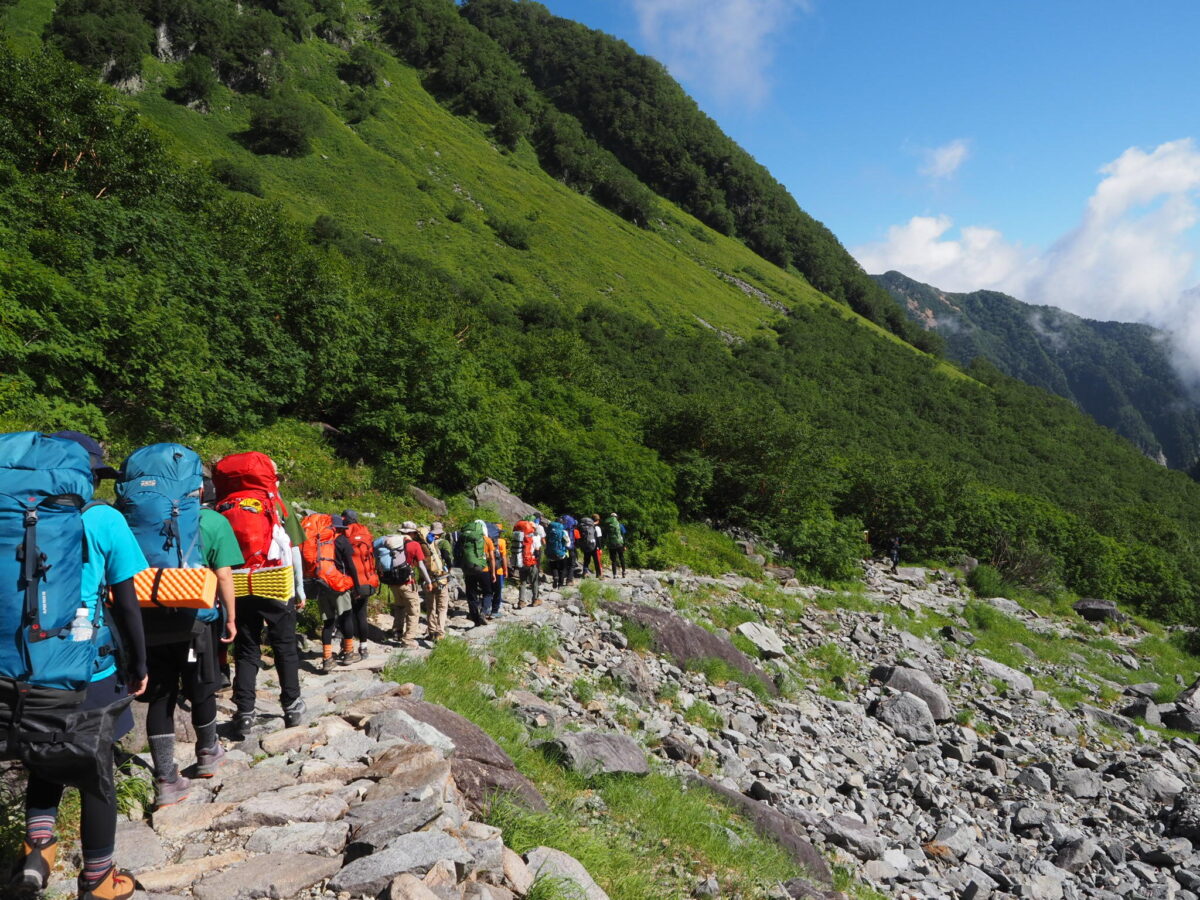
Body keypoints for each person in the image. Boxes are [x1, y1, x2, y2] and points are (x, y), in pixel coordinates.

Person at [16, 431, 149, 900]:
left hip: (22, 665)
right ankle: (97, 879)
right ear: (86, 475)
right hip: (88, 664)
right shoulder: (103, 517)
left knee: (43, 753)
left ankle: (38, 850)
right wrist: (139, 663)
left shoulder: (14, 514)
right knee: (96, 769)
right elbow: (128, 603)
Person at [139, 467, 242, 811]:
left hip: (148, 617)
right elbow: (223, 574)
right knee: (201, 687)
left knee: (161, 696)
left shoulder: (136, 519)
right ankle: (207, 752)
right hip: (196, 619)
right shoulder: (211, 521)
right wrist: (231, 617)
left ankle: (165, 778)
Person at [213, 452, 308, 737]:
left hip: (237, 583)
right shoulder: (274, 502)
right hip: (274, 581)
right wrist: (299, 588)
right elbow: (293, 549)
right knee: (284, 646)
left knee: (246, 648)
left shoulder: (221, 505)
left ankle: (244, 712)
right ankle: (291, 705)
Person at [316, 516, 361, 673]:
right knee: (346, 617)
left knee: (328, 623)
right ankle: (348, 653)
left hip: (322, 585)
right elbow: (350, 565)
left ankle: (327, 659)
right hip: (339, 585)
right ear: (339, 528)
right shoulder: (341, 541)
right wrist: (357, 586)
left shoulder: (319, 541)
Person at [341, 510, 377, 656]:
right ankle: (363, 647)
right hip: (367, 581)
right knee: (361, 614)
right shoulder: (365, 533)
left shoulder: (343, 534)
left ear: (344, 519)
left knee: (347, 615)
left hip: (349, 581)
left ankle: (347, 649)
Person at [389, 522, 431, 648]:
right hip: (408, 583)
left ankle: (396, 632)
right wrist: (428, 581)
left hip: (393, 582)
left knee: (399, 607)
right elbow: (421, 566)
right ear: (412, 533)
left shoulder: (392, 544)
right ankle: (408, 640)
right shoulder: (414, 545)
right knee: (414, 611)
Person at [423, 523, 454, 643]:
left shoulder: (424, 543)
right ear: (440, 533)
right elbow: (447, 558)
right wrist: (449, 569)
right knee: (442, 606)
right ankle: (440, 632)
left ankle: (431, 631)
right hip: (441, 578)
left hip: (428, 578)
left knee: (430, 606)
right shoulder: (443, 543)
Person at [486, 523, 509, 618]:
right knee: (498, 591)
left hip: (487, 569)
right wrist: (506, 570)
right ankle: (494, 611)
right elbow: (503, 557)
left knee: (488, 591)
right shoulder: (502, 542)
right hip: (498, 570)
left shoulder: (486, 541)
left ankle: (486, 609)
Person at [604, 512, 627, 578]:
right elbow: (623, 535)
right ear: (616, 517)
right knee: (621, 557)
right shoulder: (620, 525)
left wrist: (607, 544)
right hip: (619, 544)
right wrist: (624, 545)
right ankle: (623, 572)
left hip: (611, 544)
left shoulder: (608, 526)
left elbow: (605, 536)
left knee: (613, 560)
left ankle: (614, 574)